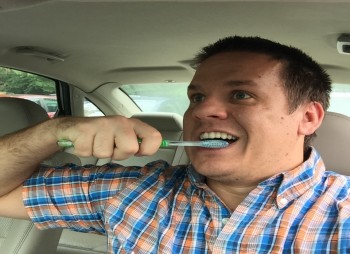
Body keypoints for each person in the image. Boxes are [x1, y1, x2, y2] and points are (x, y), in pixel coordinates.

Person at [0, 36, 349, 253]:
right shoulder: (132, 190)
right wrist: (54, 131)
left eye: (241, 94)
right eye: (196, 97)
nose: (203, 110)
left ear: (308, 117)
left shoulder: (341, 215)